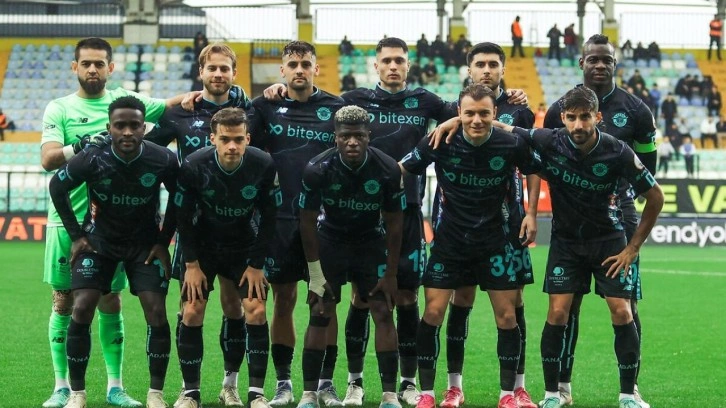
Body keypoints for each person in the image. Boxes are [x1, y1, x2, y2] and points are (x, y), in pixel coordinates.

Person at [39, 37, 198, 408]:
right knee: (66, 303)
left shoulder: (132, 108)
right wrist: (79, 148)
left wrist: (206, 92)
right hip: (74, 227)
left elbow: (171, 104)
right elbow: (49, 164)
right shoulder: (60, 108)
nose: (93, 69)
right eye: (86, 63)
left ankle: (116, 387)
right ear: (75, 67)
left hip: (132, 236)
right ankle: (64, 387)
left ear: (110, 67)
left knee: (113, 301)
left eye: (99, 63)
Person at [499, 85, 664, 408]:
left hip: (609, 243)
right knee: (558, 312)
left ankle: (628, 395)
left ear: (597, 117)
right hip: (567, 243)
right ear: (562, 118)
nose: (578, 125)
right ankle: (552, 394)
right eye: (572, 118)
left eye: (585, 117)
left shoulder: (617, 150)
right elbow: (504, 128)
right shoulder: (550, 139)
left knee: (622, 311)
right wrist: (454, 122)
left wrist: (633, 248)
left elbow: (655, 197)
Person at [402, 83, 540, 408]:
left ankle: (507, 396)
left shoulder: (510, 142)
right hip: (450, 244)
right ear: (459, 114)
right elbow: (402, 169)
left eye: (484, 113)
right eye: (469, 113)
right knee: (433, 313)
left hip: (495, 243)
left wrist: (531, 213)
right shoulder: (440, 139)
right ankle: (430, 394)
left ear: (495, 113)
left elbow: (535, 169)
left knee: (507, 317)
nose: (477, 120)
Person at [543, 34, 657, 408]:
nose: (599, 65)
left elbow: (648, 171)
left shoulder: (637, 111)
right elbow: (544, 153)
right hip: (572, 218)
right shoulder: (559, 108)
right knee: (567, 304)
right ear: (582, 63)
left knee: (625, 305)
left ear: (614, 63)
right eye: (593, 58)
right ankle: (561, 386)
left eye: (606, 59)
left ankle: (630, 388)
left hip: (618, 217)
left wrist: (626, 210)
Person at [48, 96, 179, 408]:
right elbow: (57, 186)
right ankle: (77, 394)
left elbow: (180, 197)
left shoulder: (163, 159)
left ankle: (155, 394)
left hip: (144, 245)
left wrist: (163, 241)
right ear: (109, 128)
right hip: (99, 242)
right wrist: (76, 235)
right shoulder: (94, 157)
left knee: (156, 311)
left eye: (135, 125)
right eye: (120, 125)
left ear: (144, 127)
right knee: (82, 307)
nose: (128, 132)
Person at [145, 42, 255, 407]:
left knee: (236, 307)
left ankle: (230, 385)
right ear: (201, 72)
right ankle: (189, 390)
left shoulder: (249, 111)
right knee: (191, 308)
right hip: (193, 227)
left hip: (239, 227)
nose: (218, 74)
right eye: (212, 68)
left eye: (225, 68)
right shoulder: (179, 113)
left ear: (234, 73)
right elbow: (147, 149)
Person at [247, 40, 347, 408]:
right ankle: (284, 383)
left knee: (325, 301)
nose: (300, 70)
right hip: (281, 220)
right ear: (283, 71)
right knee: (284, 300)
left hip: (325, 223)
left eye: (306, 64)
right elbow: (236, 132)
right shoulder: (265, 107)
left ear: (316, 68)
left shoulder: (336, 108)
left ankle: (325, 384)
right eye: (293, 65)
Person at [296, 105, 405, 408]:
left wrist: (391, 274)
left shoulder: (387, 169)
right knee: (320, 312)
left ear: (369, 135)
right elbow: (306, 222)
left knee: (383, 311)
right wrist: (315, 274)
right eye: (346, 136)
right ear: (336, 137)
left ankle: (389, 396)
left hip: (370, 242)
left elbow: (395, 223)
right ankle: (308, 394)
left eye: (359, 135)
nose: (352, 142)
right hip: (331, 242)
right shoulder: (317, 168)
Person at [173, 107, 279, 408]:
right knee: (192, 310)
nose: (232, 146)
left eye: (238, 139)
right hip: (203, 247)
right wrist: (191, 264)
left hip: (243, 245)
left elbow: (270, 217)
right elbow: (183, 217)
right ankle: (190, 393)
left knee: (255, 310)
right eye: (225, 139)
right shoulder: (194, 165)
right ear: (213, 139)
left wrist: (256, 265)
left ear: (247, 139)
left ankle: (249, 392)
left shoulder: (263, 164)